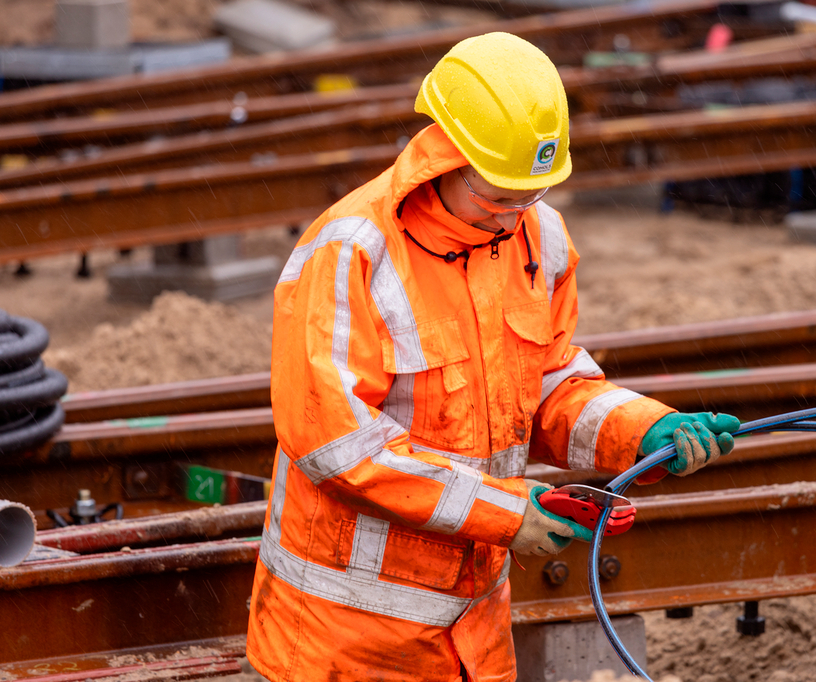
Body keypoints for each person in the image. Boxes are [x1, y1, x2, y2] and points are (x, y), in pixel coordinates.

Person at [245, 31, 740, 682]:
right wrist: (507, 514)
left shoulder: (542, 238)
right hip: (341, 647)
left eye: (529, 196)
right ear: (443, 157)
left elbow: (554, 384)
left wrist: (645, 430)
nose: (514, 218)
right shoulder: (352, 253)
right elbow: (338, 446)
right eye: (499, 195)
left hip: (472, 639)